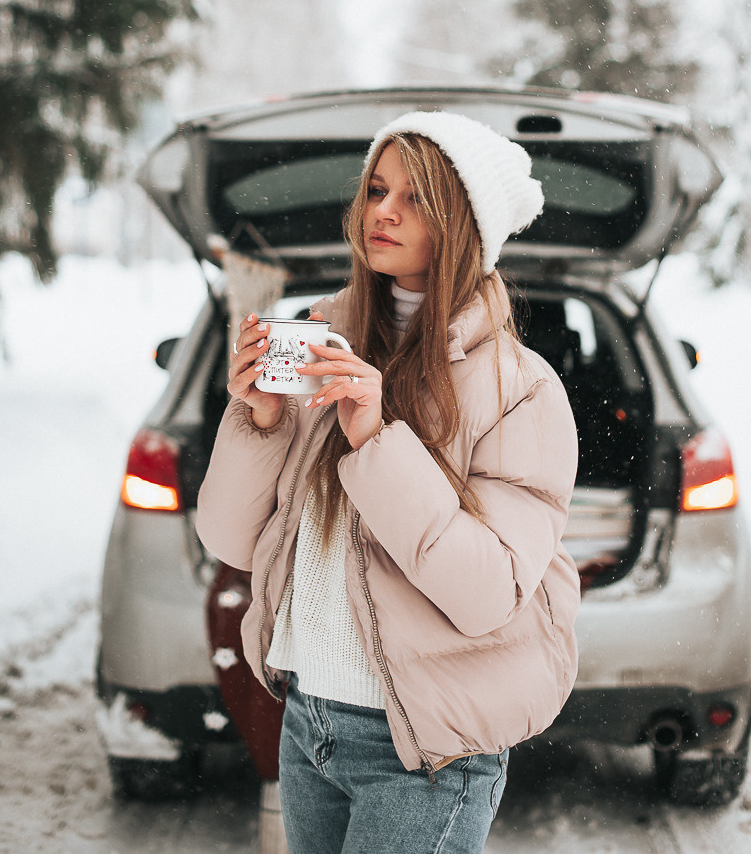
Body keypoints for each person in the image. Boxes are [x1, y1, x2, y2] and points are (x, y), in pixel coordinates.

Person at [196, 111, 581, 854]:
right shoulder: (322, 348)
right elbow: (231, 542)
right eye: (376, 190)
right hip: (309, 721)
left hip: (425, 751)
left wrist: (376, 441)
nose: (384, 211)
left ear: (465, 225)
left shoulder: (521, 389)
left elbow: (487, 592)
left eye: (416, 197)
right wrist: (261, 421)